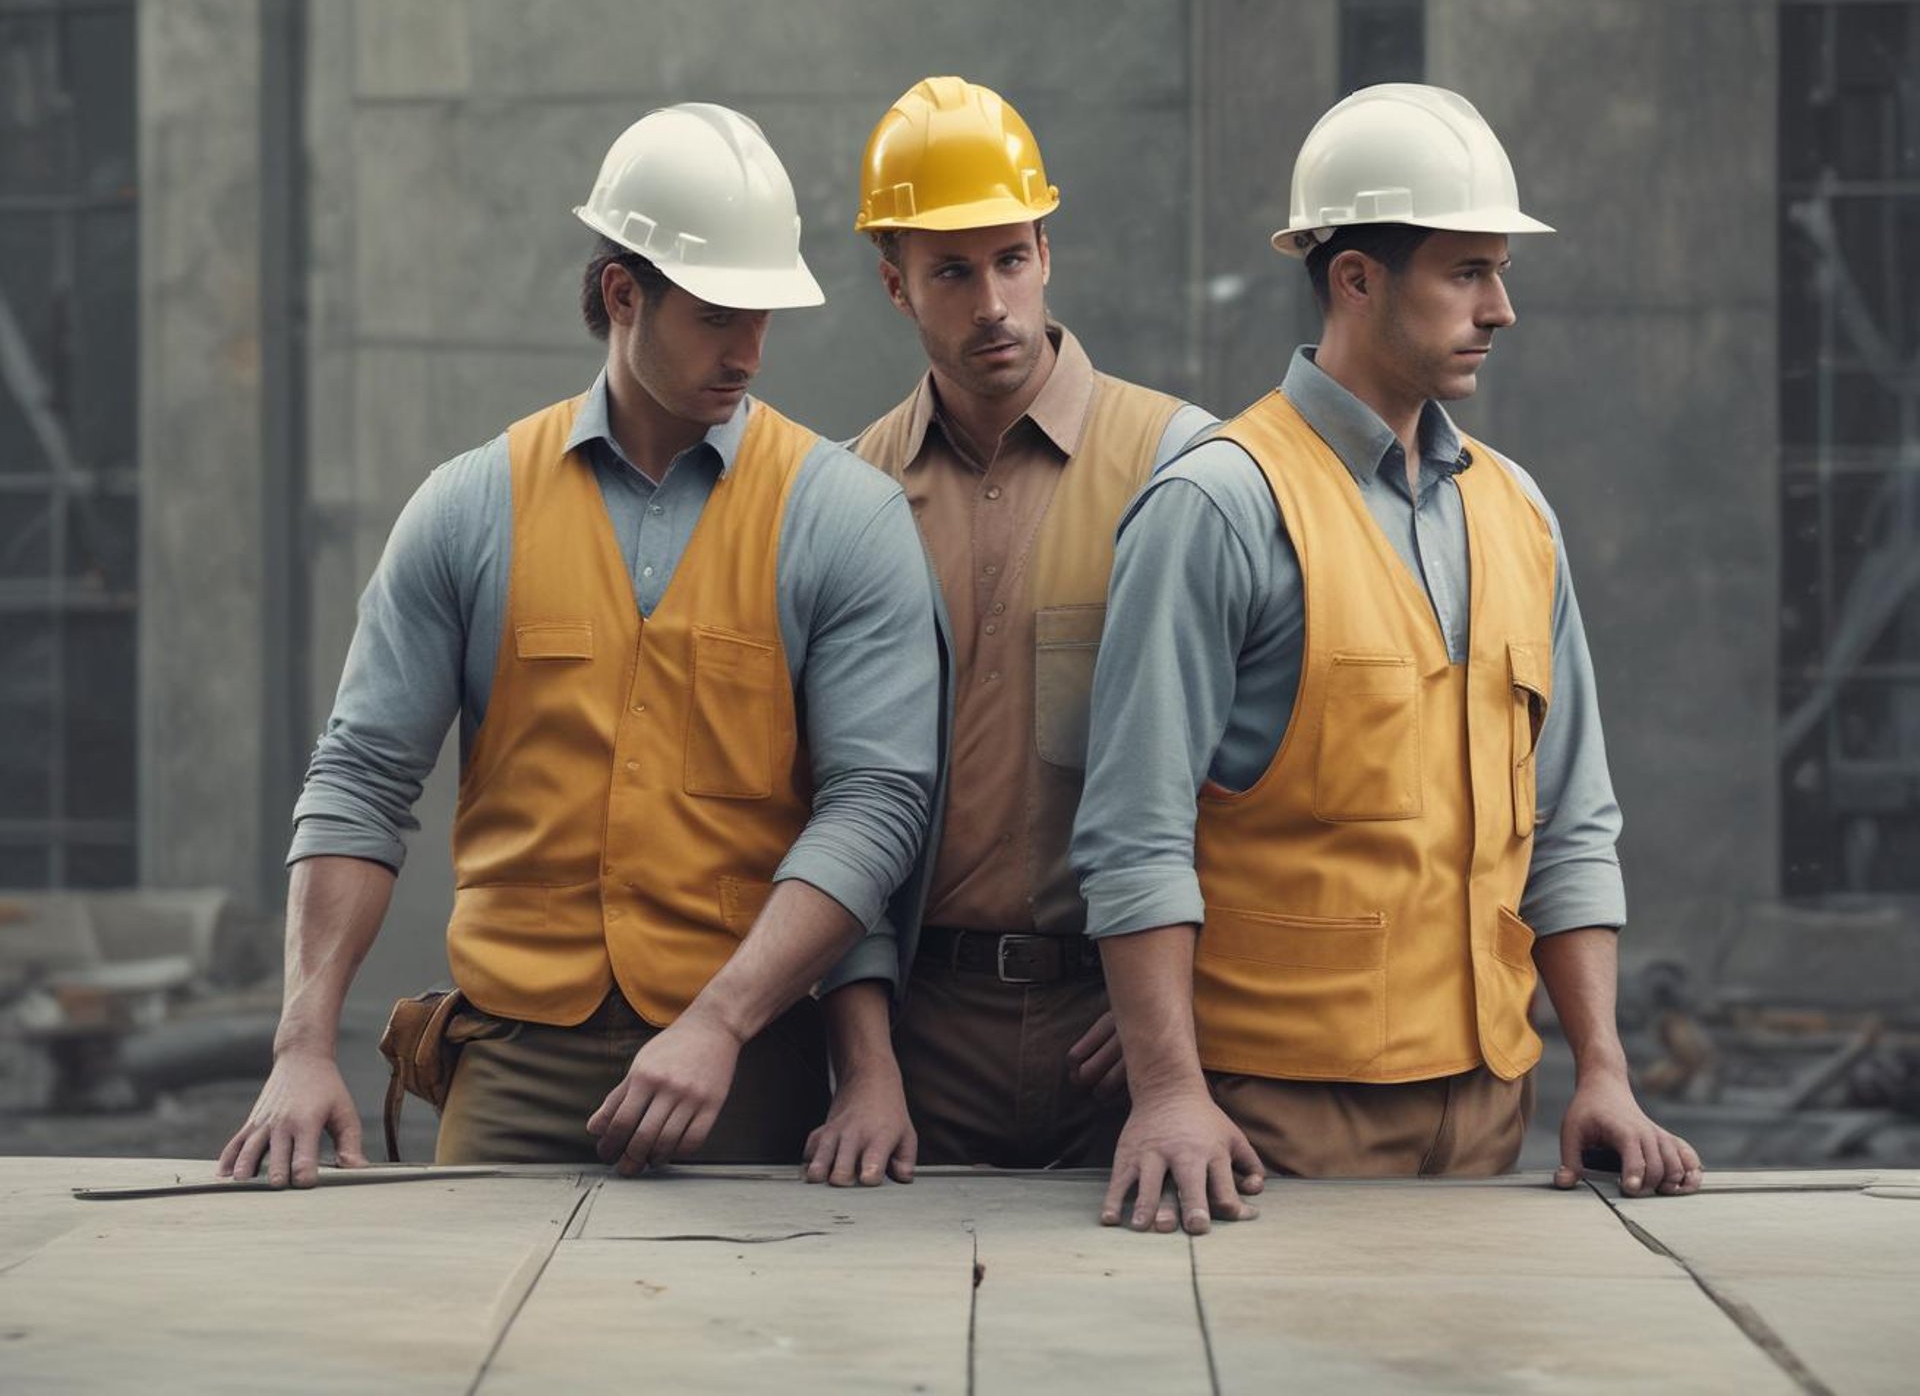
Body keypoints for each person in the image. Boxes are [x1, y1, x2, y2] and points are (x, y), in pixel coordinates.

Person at [217, 103, 937, 1188]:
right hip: (509, 1065)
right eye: (715, 315)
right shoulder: (470, 508)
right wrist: (301, 1041)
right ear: (621, 293)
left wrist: (725, 1021)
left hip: (747, 1065)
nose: (747, 350)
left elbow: (877, 803)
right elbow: (361, 780)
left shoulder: (844, 516)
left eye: (764, 317)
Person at [1072, 83, 1703, 1233]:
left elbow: (1570, 822)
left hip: (1488, 1115)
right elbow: (1133, 827)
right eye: (1467, 272)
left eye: (1500, 271)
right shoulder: (1220, 504)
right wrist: (1168, 1090)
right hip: (1273, 1127)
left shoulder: (1519, 513)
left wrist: (1603, 1070)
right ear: (1355, 279)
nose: (1502, 308)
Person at [800, 77, 1216, 1184]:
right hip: (922, 1033)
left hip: (1121, 1026)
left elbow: (1257, 771)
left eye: (1011, 259)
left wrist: (1173, 1025)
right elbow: (823, 796)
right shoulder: (844, 495)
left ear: (1047, 250)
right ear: (895, 287)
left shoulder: (1188, 469)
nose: (991, 301)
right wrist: (867, 1064)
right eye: (951, 271)